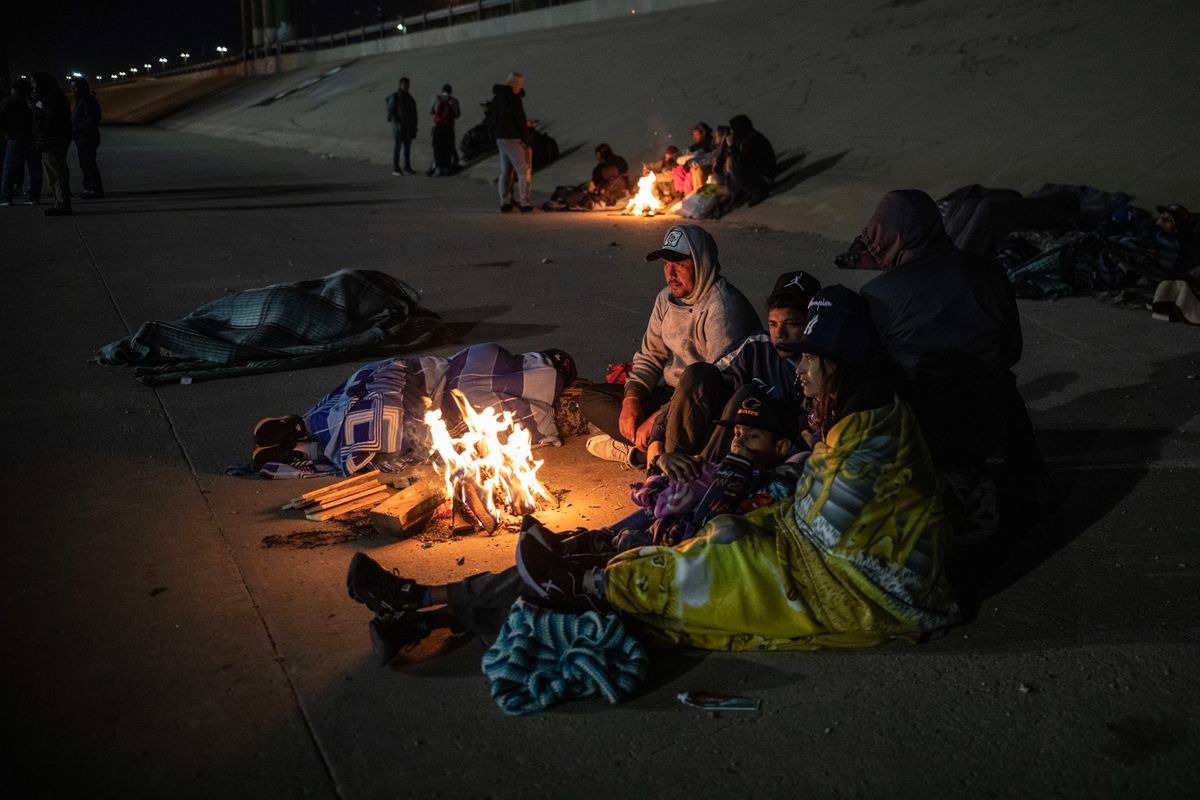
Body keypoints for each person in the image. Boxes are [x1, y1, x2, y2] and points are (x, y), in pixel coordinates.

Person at [517, 285, 961, 651]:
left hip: (877, 589)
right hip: (851, 561)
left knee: (730, 556)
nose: (799, 368)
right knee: (724, 529)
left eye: (809, 358)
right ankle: (607, 562)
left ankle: (589, 585)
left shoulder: (867, 429)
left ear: (836, 364)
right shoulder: (860, 408)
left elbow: (829, 539)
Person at [343, 390, 802, 663]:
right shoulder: (735, 466)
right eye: (737, 435)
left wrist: (734, 467)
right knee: (556, 564)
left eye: (751, 437)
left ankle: (419, 607)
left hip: (673, 570)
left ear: (781, 446)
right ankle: (421, 614)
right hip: (651, 543)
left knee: (555, 582)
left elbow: (709, 525)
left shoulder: (772, 485)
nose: (738, 443)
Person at [855, 189, 1048, 532]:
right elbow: (1011, 350)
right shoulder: (988, 273)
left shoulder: (877, 294)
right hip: (990, 418)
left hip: (921, 430)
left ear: (892, 234)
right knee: (1003, 381)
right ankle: (1027, 480)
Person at [579, 224, 761, 468]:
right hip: (670, 395)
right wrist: (631, 400)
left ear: (702, 263)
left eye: (681, 265)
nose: (671, 274)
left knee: (700, 387)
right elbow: (650, 356)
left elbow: (718, 384)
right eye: (666, 264)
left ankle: (651, 453)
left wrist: (658, 419)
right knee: (593, 398)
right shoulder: (666, 299)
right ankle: (651, 450)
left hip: (701, 404)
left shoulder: (723, 308)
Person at [248, 343, 577, 476]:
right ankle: (313, 440)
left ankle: (308, 436)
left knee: (372, 410)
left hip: (417, 390)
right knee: (383, 410)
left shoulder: (496, 358)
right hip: (418, 382)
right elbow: (473, 397)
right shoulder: (496, 358)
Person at [642, 269, 822, 467]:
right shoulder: (757, 347)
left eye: (792, 324)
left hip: (769, 450)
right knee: (698, 373)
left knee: (748, 394)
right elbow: (696, 387)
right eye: (773, 324)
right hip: (729, 435)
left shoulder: (823, 365)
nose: (780, 334)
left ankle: (701, 476)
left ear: (812, 323)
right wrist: (657, 435)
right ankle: (671, 465)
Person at [492, 72, 535, 212]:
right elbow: (519, 120)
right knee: (524, 171)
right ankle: (525, 202)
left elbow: (494, 117)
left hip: (501, 139)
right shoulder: (515, 99)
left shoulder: (498, 97)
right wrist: (526, 138)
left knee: (506, 171)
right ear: (516, 86)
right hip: (514, 139)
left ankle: (505, 201)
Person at [31, 73, 71, 216]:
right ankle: (59, 201)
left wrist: (43, 139)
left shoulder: (52, 98)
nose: (33, 86)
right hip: (53, 141)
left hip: (53, 142)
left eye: (34, 83)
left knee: (56, 173)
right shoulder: (51, 97)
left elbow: (51, 121)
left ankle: (62, 203)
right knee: (55, 173)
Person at [0, 78, 42, 206]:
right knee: (35, 169)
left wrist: (6, 133)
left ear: (15, 89)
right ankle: (33, 197)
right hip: (33, 140)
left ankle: (5, 197)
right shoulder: (33, 102)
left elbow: (1, 120)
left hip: (15, 139)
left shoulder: (7, 102)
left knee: (9, 169)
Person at [725, 114, 775, 207]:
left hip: (765, 175)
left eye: (733, 128)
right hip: (758, 170)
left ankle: (760, 191)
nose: (731, 131)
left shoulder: (751, 139)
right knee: (732, 168)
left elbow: (743, 160)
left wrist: (731, 147)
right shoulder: (744, 137)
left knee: (736, 170)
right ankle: (747, 192)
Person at [70, 77, 103, 199]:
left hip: (87, 138)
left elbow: (92, 121)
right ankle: (89, 188)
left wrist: (75, 127)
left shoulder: (88, 101)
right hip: (81, 137)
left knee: (89, 164)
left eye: (75, 87)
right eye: (72, 87)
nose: (73, 89)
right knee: (85, 164)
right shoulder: (82, 100)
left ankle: (95, 189)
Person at [386, 77, 418, 176]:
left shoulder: (409, 98)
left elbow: (413, 113)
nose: (406, 86)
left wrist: (414, 126)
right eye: (404, 85)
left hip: (408, 128)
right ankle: (396, 168)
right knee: (398, 147)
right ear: (400, 85)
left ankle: (407, 167)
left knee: (407, 148)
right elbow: (391, 112)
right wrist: (397, 123)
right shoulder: (395, 97)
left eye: (407, 84)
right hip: (399, 128)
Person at [428, 84, 460, 177]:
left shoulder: (436, 98)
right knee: (448, 148)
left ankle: (438, 168)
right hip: (449, 128)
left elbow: (431, 112)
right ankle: (446, 168)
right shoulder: (454, 100)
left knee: (437, 148)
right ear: (451, 91)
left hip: (438, 127)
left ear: (442, 90)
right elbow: (457, 115)